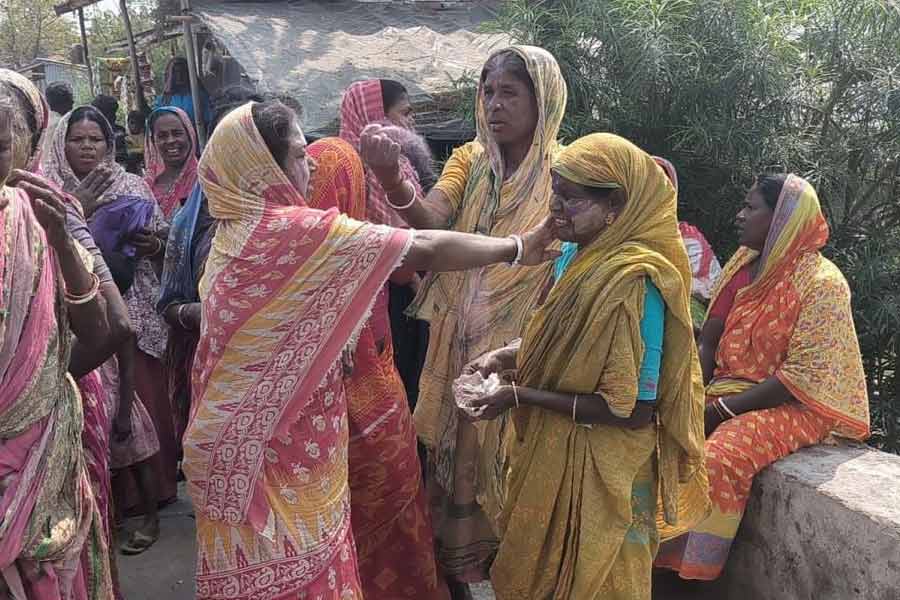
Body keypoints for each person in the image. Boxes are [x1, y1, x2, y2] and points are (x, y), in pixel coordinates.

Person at [183, 99, 557, 600]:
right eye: (297, 152)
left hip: (226, 450)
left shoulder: (230, 235)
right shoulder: (294, 231)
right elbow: (423, 247)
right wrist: (519, 247)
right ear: (264, 167)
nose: (310, 162)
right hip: (275, 458)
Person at [360, 46, 567, 595]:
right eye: (488, 92)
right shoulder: (469, 162)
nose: (495, 105)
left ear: (542, 99)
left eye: (510, 93)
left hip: (525, 343)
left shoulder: (566, 171)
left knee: (515, 462)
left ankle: (513, 572)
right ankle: (460, 575)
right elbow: (430, 220)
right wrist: (391, 178)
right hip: (459, 339)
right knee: (457, 462)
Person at [464, 133, 708, 599]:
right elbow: (559, 341)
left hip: (606, 472)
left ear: (614, 205)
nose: (555, 208)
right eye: (554, 193)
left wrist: (518, 396)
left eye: (572, 199)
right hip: (552, 452)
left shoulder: (635, 282)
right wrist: (503, 356)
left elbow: (631, 409)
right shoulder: (574, 259)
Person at [655, 173, 870, 581]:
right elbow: (709, 340)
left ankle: (691, 574)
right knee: (659, 430)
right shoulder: (743, 264)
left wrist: (717, 411)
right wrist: (691, 395)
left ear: (782, 219)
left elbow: (798, 377)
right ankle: (648, 554)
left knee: (721, 457)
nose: (739, 215)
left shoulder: (822, 284)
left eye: (750, 207)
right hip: (729, 388)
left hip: (795, 404)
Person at [1, 68, 132, 594]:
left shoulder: (43, 217)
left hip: (37, 440)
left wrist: (39, 390)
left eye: (1, 141)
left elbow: (105, 328)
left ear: (28, 144)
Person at [306, 136, 449, 599]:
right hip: (376, 403)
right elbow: (424, 255)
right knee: (395, 503)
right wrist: (517, 247)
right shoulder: (359, 242)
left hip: (320, 432)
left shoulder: (286, 253)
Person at [42, 106, 175, 554]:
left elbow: (165, 240)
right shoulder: (48, 188)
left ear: (109, 144)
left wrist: (152, 242)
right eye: (77, 140)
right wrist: (78, 208)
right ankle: (108, 507)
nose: (86, 147)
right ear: (61, 145)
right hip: (78, 313)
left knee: (136, 410)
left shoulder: (133, 185)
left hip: (131, 301)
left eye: (94, 140)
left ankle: (152, 499)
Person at [158, 86, 263, 460]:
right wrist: (201, 313)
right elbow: (168, 305)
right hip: (212, 371)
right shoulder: (188, 224)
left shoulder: (296, 219)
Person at [339, 78, 435, 411]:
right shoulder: (362, 169)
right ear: (376, 115)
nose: (412, 122)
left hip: (407, 285)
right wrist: (416, 281)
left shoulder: (399, 163)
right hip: (390, 293)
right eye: (404, 113)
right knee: (400, 379)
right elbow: (389, 242)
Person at [144, 106, 198, 219]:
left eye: (177, 133)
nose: (170, 140)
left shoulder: (203, 181)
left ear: (190, 135)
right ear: (153, 141)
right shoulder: (146, 184)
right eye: (162, 136)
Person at [157, 57, 212, 134]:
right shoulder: (163, 100)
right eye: (176, 72)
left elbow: (209, 120)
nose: (179, 76)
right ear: (170, 75)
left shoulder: (199, 96)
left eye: (182, 72)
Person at [92, 94, 129, 165]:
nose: (114, 116)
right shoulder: (90, 133)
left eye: (114, 113)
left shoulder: (120, 130)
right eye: (110, 113)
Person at [42, 81, 74, 158]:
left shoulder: (43, 122)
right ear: (65, 103)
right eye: (70, 99)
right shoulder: (64, 125)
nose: (73, 102)